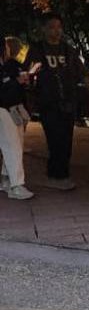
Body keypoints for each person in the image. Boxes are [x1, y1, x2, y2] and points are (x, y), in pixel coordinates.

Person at [24, 13, 87, 190]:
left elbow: (81, 72)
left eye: (59, 27)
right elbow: (29, 72)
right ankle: (57, 175)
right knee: (54, 138)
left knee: (66, 139)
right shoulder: (38, 49)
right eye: (52, 27)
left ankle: (61, 174)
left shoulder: (68, 50)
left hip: (68, 101)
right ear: (44, 29)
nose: (56, 31)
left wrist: (88, 87)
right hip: (48, 102)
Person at [0, 37, 33, 200]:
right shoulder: (7, 66)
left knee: (12, 145)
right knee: (13, 146)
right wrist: (16, 81)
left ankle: (8, 180)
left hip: (10, 108)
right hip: (5, 108)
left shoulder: (5, 66)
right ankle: (16, 185)